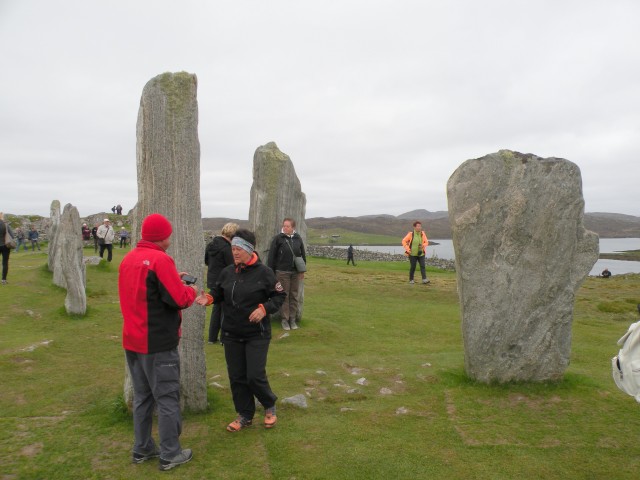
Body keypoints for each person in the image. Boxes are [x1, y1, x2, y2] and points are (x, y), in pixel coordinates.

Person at [119, 213, 206, 471]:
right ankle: (170, 453)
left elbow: (148, 291)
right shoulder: (160, 260)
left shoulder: (129, 259)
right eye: (168, 233)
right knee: (167, 398)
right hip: (156, 343)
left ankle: (142, 447)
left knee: (143, 397)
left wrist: (171, 278)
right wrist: (189, 289)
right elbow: (179, 298)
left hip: (132, 341)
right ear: (163, 236)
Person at [198, 229, 286, 432]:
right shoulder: (227, 272)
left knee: (254, 375)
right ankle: (244, 415)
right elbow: (219, 292)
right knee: (237, 377)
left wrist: (264, 309)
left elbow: (279, 296)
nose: (235, 252)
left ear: (249, 249)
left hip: (257, 333)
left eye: (238, 248)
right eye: (233, 248)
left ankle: (269, 404)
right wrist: (209, 298)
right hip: (231, 333)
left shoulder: (265, 273)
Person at [267, 218, 306, 331]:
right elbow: (272, 256)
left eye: (287, 226)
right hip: (282, 272)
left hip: (295, 272)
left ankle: (292, 319)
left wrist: (302, 270)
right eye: (284, 226)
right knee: (285, 295)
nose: (285, 228)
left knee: (294, 295)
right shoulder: (278, 238)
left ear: (293, 228)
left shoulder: (298, 238)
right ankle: (284, 319)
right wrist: (271, 272)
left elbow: (302, 255)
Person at [204, 222, 238, 344]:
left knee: (216, 309)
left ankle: (212, 338)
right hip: (224, 281)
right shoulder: (227, 248)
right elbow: (231, 266)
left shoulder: (211, 245)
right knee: (225, 309)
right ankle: (224, 338)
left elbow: (206, 261)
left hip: (213, 280)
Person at [0, 213, 14, 284]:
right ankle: (3, 280)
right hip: (5, 245)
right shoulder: (5, 225)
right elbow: (12, 235)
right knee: (5, 263)